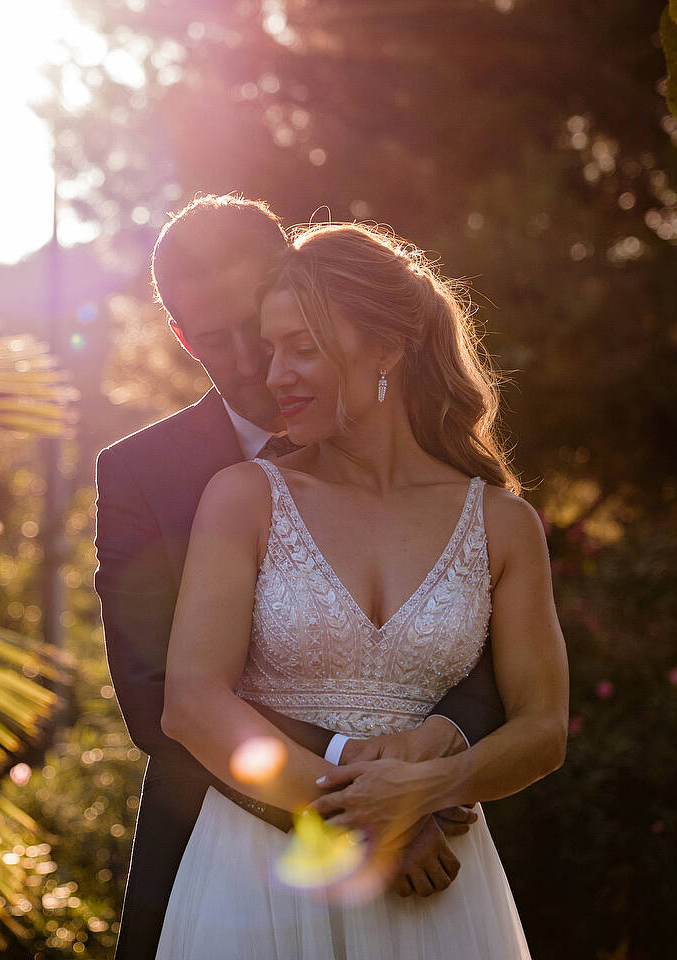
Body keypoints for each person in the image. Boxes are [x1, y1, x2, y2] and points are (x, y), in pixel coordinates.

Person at [93, 195, 509, 960]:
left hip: (441, 856)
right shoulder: (140, 476)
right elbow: (157, 700)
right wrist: (363, 803)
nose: (253, 364)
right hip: (227, 860)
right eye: (215, 342)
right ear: (182, 338)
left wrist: (433, 762)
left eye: (257, 327)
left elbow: (488, 649)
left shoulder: (430, 463)